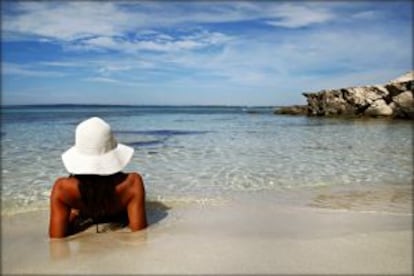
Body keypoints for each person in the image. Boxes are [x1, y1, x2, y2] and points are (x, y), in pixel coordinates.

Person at [49, 117, 147, 238]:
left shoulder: (63, 188)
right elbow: (139, 234)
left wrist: (74, 214)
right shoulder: (132, 183)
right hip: (117, 217)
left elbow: (56, 238)